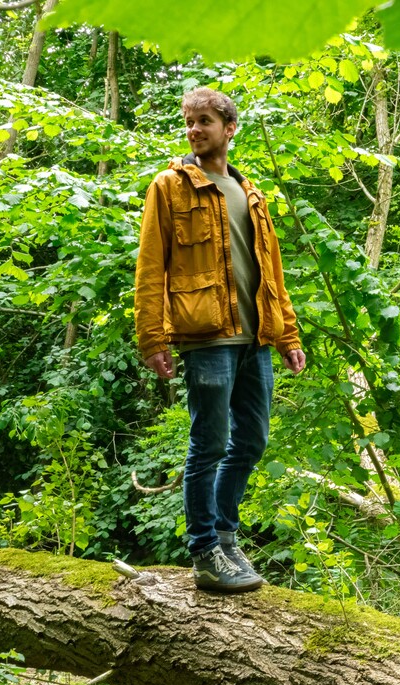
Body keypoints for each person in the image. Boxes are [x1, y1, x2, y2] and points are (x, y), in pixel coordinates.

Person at [134, 87, 306, 593]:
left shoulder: (250, 193)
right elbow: (150, 267)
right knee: (209, 443)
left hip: (257, 337)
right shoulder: (169, 186)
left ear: (229, 128)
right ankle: (205, 549)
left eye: (205, 121)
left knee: (251, 440)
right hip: (206, 335)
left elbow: (271, 271)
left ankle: (226, 537)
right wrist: (153, 339)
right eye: (189, 122)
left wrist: (287, 334)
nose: (194, 130)